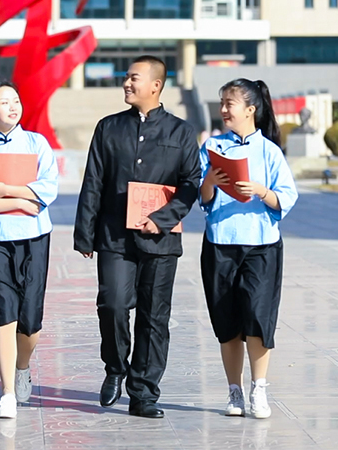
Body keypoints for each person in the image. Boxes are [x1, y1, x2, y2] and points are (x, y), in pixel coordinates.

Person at [73, 56, 201, 419]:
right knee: (112, 304)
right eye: (126, 77)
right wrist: (85, 234)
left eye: (134, 78)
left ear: (156, 85)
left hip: (161, 241)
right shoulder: (109, 127)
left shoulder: (181, 132)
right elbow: (93, 180)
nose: (126, 83)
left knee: (154, 317)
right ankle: (115, 367)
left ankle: (143, 393)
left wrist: (162, 220)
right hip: (114, 236)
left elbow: (190, 183)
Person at [198, 78, 297, 419]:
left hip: (261, 246)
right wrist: (210, 181)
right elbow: (202, 198)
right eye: (222, 103)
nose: (224, 109)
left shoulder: (270, 151)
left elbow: (286, 197)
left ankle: (259, 387)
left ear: (250, 109)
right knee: (227, 322)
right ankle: (234, 390)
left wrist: (261, 191)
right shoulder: (212, 146)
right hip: (220, 243)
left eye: (230, 103)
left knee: (258, 318)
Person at [0, 81, 59, 419]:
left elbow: (48, 189)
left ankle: (22, 366)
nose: (13, 107)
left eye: (16, 100)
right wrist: (21, 199)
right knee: (5, 312)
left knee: (30, 320)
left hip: (34, 238)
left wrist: (6, 190)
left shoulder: (37, 143)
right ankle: (7, 392)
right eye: (4, 102)